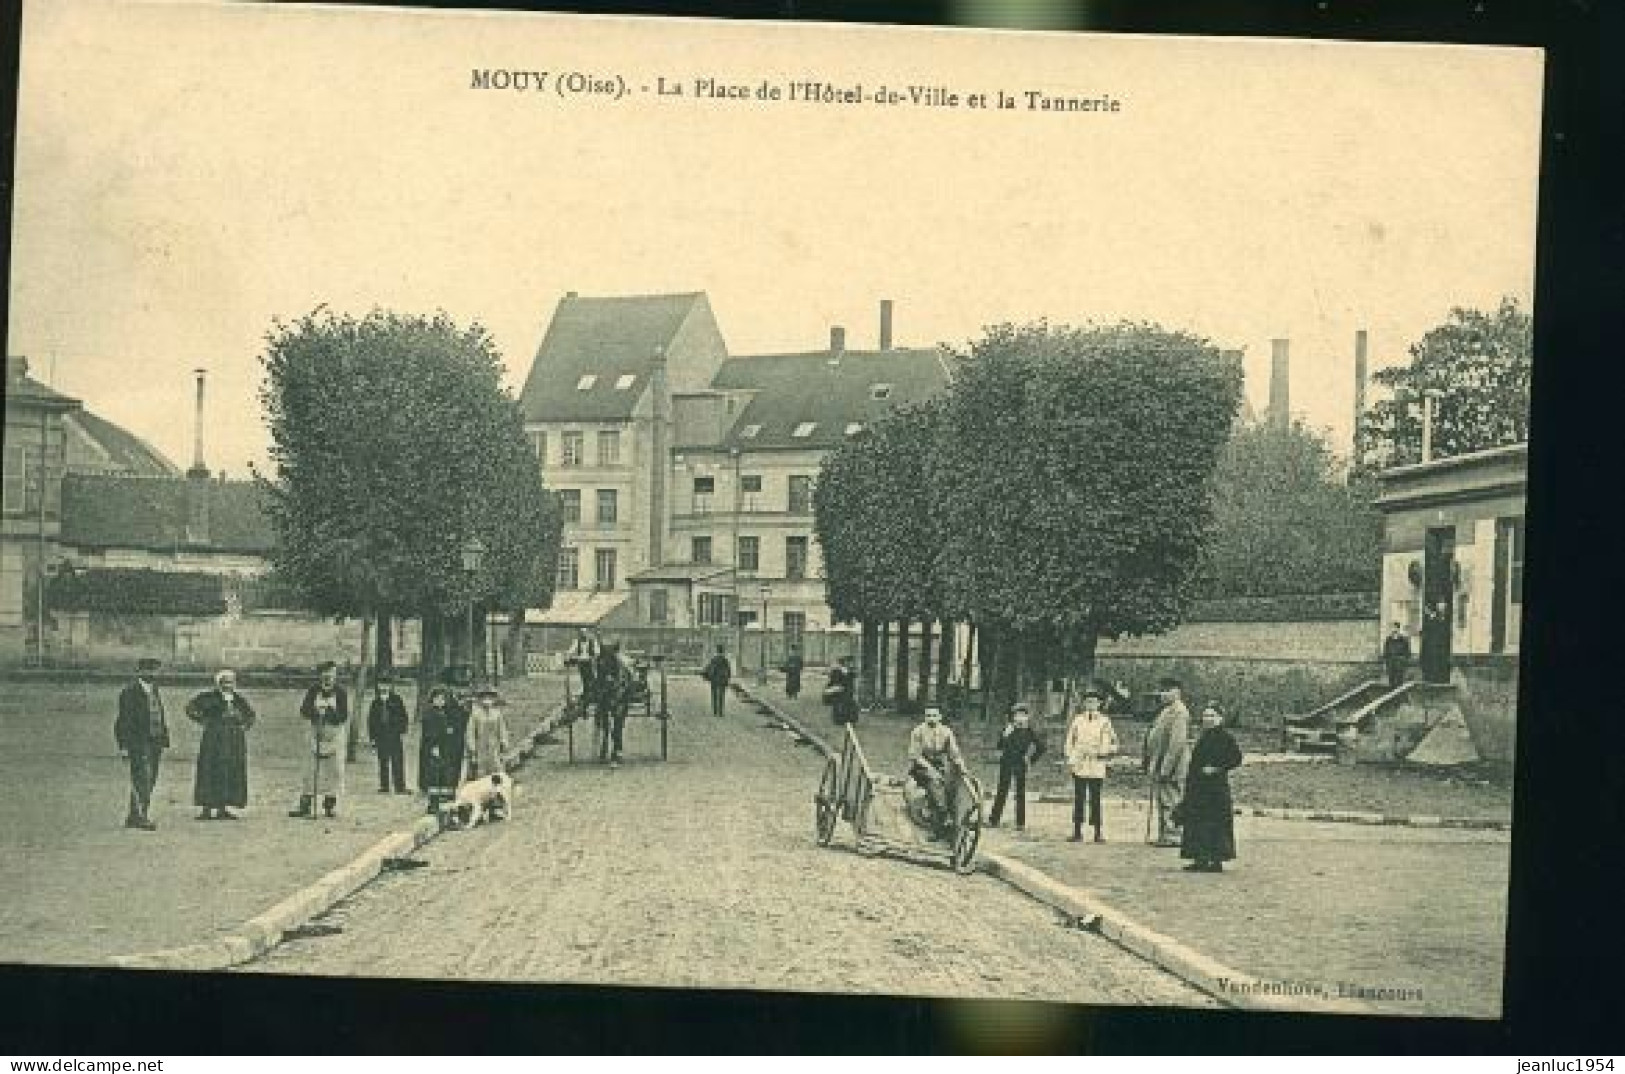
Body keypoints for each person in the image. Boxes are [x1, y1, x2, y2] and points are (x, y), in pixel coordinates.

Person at [1178, 703, 1243, 872]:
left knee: (1215, 823)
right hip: (1199, 787)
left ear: (1220, 718)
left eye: (1212, 716)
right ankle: (1200, 858)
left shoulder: (1225, 737)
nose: (1208, 719)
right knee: (1198, 822)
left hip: (1215, 789)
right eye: (1205, 716)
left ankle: (1216, 860)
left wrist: (1217, 768)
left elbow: (1236, 758)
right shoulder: (1204, 736)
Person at [185, 669, 255, 821]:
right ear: (218, 683)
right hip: (214, 739)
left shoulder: (238, 699)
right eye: (224, 682)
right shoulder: (209, 697)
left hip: (234, 740)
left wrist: (244, 725)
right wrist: (204, 720)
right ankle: (207, 808)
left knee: (229, 771)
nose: (228, 685)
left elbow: (250, 715)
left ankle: (223, 807)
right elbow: (191, 708)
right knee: (211, 769)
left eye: (231, 682)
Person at [114, 656, 169, 830]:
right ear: (139, 671)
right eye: (148, 670)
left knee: (150, 779)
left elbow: (158, 714)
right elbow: (123, 721)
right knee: (141, 779)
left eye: (155, 670)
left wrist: (163, 737)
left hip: (155, 741)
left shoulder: (154, 690)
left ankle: (136, 815)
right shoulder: (130, 692)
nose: (152, 673)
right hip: (138, 742)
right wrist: (123, 746)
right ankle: (139, 816)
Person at [290, 661, 349, 819]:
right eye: (325, 675)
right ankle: (305, 805)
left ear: (335, 675)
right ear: (320, 676)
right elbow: (304, 711)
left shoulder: (341, 692)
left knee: (333, 771)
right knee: (310, 771)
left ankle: (330, 806)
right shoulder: (313, 691)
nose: (328, 678)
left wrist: (330, 711)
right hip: (315, 734)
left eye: (331, 675)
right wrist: (316, 711)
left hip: (334, 734)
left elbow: (343, 716)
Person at [1064, 685, 1120, 843]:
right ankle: (1077, 831)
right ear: (1084, 704)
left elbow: (1115, 743)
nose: (1091, 705)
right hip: (1080, 763)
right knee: (1079, 798)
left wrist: (1104, 751)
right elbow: (1070, 740)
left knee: (1095, 799)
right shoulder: (1078, 720)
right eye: (1088, 702)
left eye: (1094, 702)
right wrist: (1072, 756)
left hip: (1096, 764)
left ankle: (1097, 832)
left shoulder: (1104, 722)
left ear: (1100, 704)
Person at [1142, 676, 1191, 847]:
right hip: (1160, 762)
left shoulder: (1179, 712)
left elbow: (1176, 743)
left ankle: (1174, 835)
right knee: (1163, 799)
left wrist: (1165, 768)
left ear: (1177, 692)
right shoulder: (1166, 711)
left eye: (1167, 691)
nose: (1162, 694)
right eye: (1162, 690)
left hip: (1172, 766)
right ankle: (1164, 834)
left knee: (1171, 799)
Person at [907, 706, 965, 839]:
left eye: (934, 715)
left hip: (939, 765)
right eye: (928, 715)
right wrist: (930, 770)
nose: (931, 718)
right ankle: (938, 827)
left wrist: (961, 766)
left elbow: (954, 753)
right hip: (921, 767)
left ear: (940, 717)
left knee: (951, 783)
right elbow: (915, 755)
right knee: (935, 787)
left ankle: (951, 815)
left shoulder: (946, 732)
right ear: (925, 717)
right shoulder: (918, 731)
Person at [988, 703, 1045, 829]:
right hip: (1006, 763)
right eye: (1017, 715)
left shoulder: (1029, 731)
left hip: (1020, 764)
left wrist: (1030, 759)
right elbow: (999, 746)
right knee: (1002, 790)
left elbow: (1041, 747)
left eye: (1023, 715)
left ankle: (1020, 822)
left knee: (1020, 793)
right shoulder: (1008, 729)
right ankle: (994, 819)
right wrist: (1004, 736)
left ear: (1027, 717)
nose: (1019, 718)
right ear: (1012, 717)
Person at [418, 685, 467, 814]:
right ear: (432, 700)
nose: (440, 702)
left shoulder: (444, 713)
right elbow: (429, 733)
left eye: (442, 699)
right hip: (434, 748)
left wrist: (448, 732)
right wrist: (434, 746)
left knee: (445, 775)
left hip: (445, 747)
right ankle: (433, 804)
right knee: (434, 776)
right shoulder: (429, 714)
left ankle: (445, 802)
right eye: (437, 699)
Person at [367, 674, 411, 794]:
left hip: (395, 736)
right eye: (381, 684)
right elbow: (371, 721)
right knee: (383, 762)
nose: (384, 687)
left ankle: (400, 787)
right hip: (381, 736)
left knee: (397, 761)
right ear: (377, 686)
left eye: (386, 684)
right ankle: (384, 786)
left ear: (391, 686)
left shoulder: (397, 700)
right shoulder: (375, 702)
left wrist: (402, 730)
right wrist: (372, 738)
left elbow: (404, 716)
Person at [593, 643, 632, 764]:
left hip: (620, 690)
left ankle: (617, 749)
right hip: (604, 690)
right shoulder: (601, 662)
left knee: (618, 722)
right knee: (605, 717)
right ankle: (605, 743)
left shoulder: (622, 661)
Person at [464, 685, 512, 781]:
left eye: (490, 698)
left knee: (497, 771)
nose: (487, 700)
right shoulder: (475, 714)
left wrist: (504, 742)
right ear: (481, 700)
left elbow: (502, 730)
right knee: (481, 773)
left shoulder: (497, 714)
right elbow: (470, 732)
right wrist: (472, 748)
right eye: (485, 698)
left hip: (494, 747)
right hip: (480, 747)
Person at [565, 627, 600, 710]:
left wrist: (593, 656)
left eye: (584, 633)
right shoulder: (577, 642)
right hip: (582, 662)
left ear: (587, 633)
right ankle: (586, 693)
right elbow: (571, 650)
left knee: (592, 678)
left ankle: (591, 692)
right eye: (581, 633)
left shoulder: (592, 641)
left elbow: (597, 652)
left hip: (590, 662)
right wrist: (568, 655)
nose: (583, 635)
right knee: (585, 679)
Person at [823, 655, 858, 726]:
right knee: (838, 705)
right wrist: (836, 687)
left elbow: (851, 680)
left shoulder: (850, 671)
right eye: (848, 662)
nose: (850, 664)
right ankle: (839, 720)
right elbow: (833, 681)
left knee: (849, 705)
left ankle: (849, 720)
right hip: (839, 691)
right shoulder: (836, 671)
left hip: (847, 691)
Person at [701, 644, 732, 717]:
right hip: (722, 680)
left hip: (714, 680)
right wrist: (727, 679)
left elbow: (708, 668)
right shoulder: (725, 660)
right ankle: (720, 712)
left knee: (714, 695)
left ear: (717, 651)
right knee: (721, 696)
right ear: (723, 651)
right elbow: (728, 671)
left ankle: (715, 711)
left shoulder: (714, 659)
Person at [1382, 622, 1413, 689]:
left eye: (1395, 628)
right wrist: (1386, 663)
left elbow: (1407, 653)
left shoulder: (1403, 640)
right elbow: (1386, 652)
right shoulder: (1388, 640)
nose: (1394, 630)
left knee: (1399, 681)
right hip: (1391, 663)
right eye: (1392, 628)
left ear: (1398, 629)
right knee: (1391, 681)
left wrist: (1404, 661)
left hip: (1400, 663)